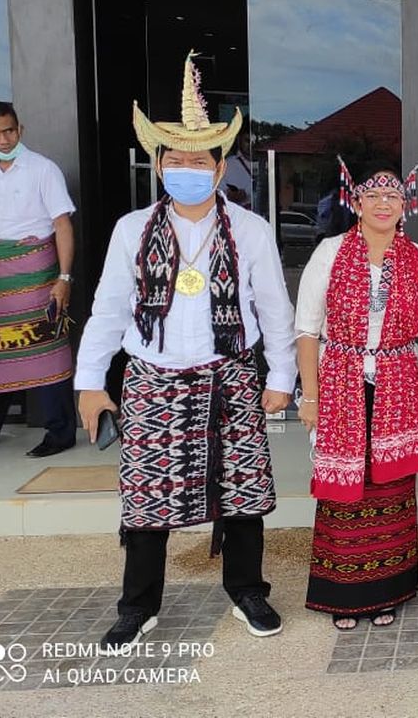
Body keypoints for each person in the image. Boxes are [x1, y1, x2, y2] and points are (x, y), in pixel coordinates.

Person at [75, 51, 297, 650]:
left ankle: (247, 591)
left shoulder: (249, 230)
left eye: (200, 160)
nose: (188, 168)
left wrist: (282, 374)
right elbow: (109, 308)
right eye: (177, 159)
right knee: (146, 499)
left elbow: (275, 309)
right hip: (154, 378)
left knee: (242, 495)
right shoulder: (131, 229)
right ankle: (138, 605)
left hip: (231, 376)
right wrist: (90, 380)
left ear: (221, 170)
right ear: (159, 165)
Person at [295, 160, 418, 630]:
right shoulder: (330, 252)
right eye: (374, 196)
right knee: (344, 487)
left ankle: (387, 591)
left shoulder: (417, 257)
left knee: (392, 484)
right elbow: (307, 329)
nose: (384, 204)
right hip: (341, 379)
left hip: (399, 381)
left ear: (406, 207)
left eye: (394, 197)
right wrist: (310, 396)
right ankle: (343, 594)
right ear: (356, 203)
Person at [0, 100, 78, 457]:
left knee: (46, 347)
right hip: (1, 274)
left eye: (9, 130)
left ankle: (60, 432)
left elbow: (62, 225)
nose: (3, 139)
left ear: (20, 129)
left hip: (40, 267)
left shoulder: (43, 169)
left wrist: (64, 277)